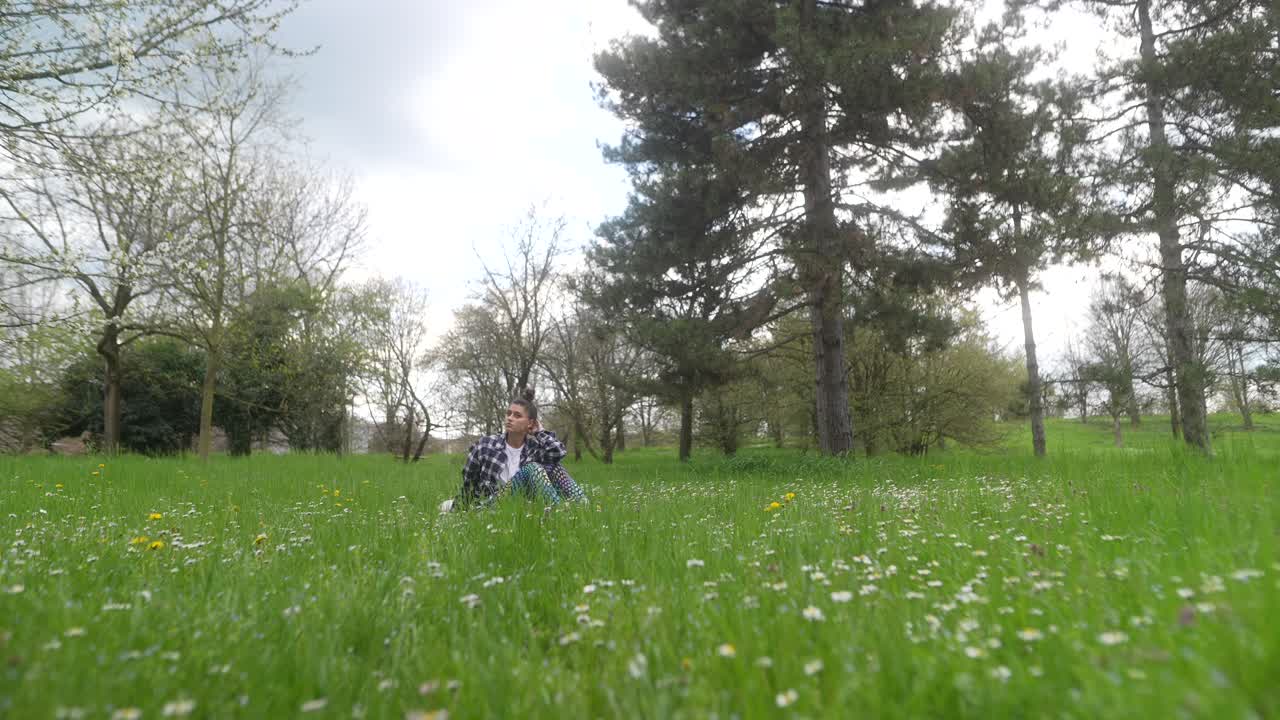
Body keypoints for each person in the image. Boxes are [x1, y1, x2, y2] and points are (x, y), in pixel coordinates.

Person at [441, 388, 586, 512]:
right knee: (533, 468)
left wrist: (539, 432)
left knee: (555, 467)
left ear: (530, 423)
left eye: (517, 415)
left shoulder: (534, 449)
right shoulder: (486, 445)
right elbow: (469, 484)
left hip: (523, 505)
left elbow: (558, 453)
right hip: (493, 504)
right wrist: (459, 509)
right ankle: (559, 514)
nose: (510, 418)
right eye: (508, 413)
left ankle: (585, 507)